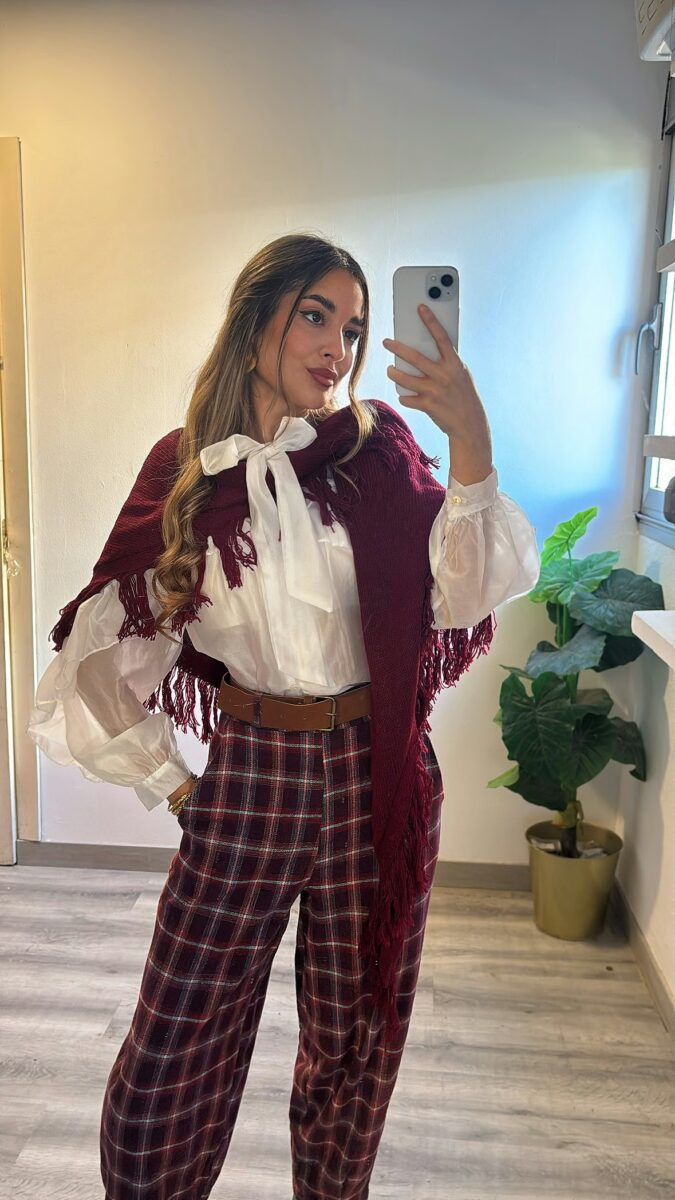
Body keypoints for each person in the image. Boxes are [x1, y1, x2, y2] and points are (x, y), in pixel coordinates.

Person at [26, 232, 540, 1200]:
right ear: (254, 318)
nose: (337, 348)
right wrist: (172, 781)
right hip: (251, 770)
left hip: (376, 772)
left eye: (352, 328)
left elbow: (464, 593)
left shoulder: (378, 450)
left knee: (356, 1036)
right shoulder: (185, 471)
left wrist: (470, 442)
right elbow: (102, 652)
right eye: (315, 316)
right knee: (174, 1043)